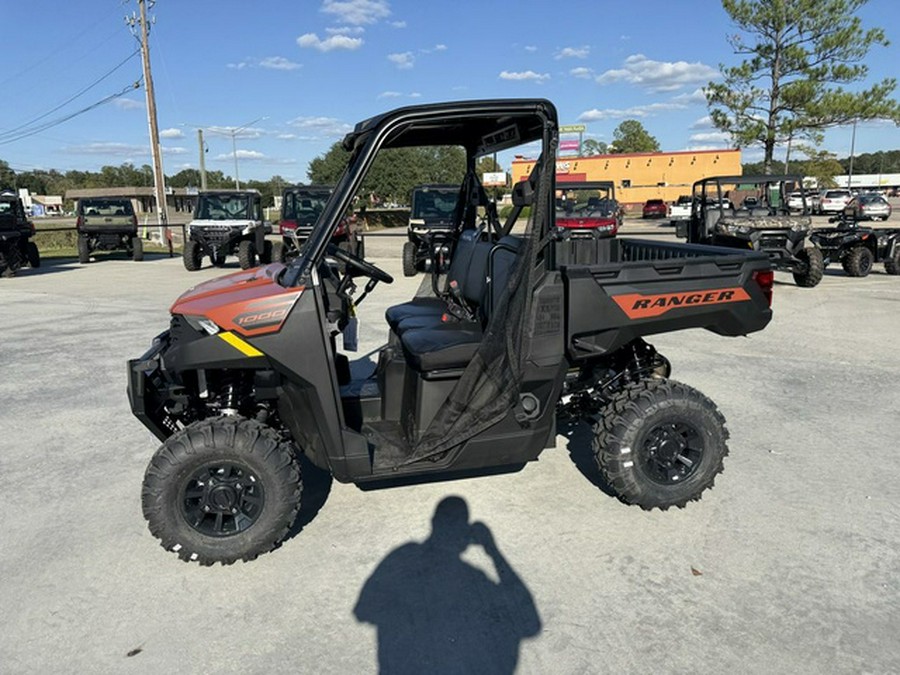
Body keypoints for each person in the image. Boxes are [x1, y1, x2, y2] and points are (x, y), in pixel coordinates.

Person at [354, 497, 541, 674]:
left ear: (434, 522)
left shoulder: (402, 556)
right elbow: (530, 624)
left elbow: (363, 611)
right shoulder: (474, 578)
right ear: (465, 534)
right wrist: (493, 551)